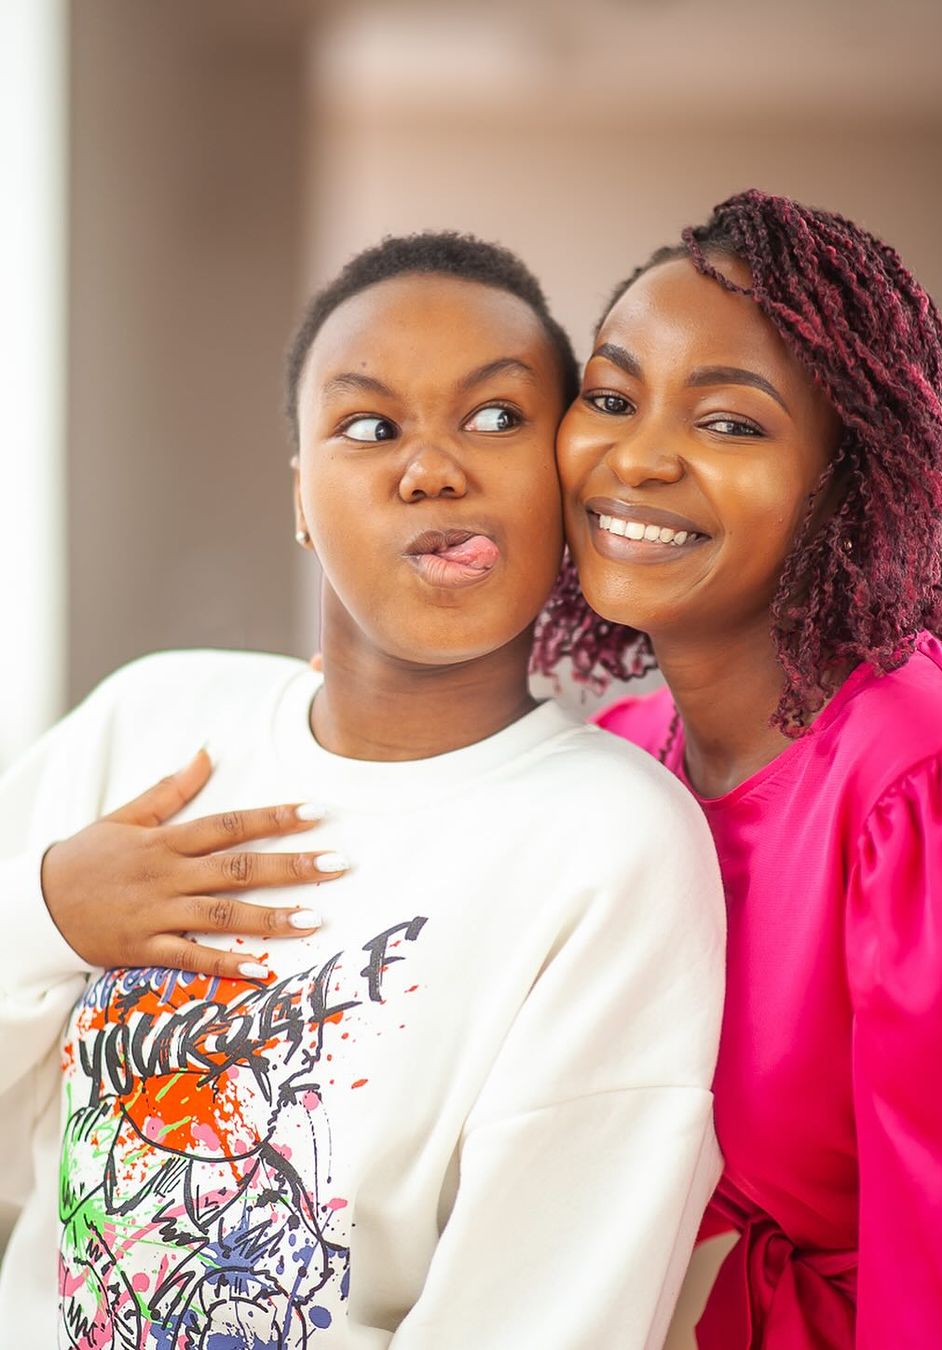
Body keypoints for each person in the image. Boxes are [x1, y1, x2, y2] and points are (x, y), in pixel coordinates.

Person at [0, 232, 726, 1347]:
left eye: (495, 418)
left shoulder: (612, 843)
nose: (432, 466)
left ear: (567, 477)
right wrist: (45, 914)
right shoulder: (148, 726)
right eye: (370, 425)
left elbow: (538, 1314)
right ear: (300, 494)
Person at [533, 189, 942, 1348]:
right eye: (613, 397)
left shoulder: (935, 787)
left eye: (730, 424)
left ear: (847, 480)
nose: (641, 457)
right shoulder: (623, 761)